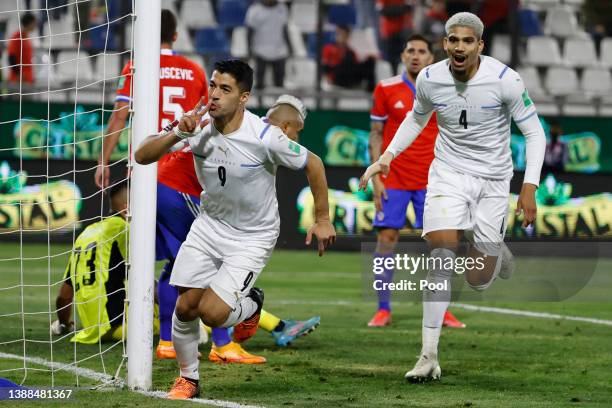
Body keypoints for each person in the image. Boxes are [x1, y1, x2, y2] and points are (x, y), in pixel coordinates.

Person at [359, 12, 546, 382]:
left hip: (493, 180)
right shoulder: (430, 78)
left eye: (467, 41)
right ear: (445, 44)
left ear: (480, 45)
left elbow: (534, 133)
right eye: (453, 40)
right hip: (447, 173)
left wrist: (530, 187)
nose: (459, 47)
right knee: (441, 253)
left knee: (478, 278)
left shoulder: (506, 79)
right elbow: (416, 118)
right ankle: (428, 355)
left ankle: (494, 247)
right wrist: (386, 158)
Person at [134, 59, 336, 399]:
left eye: (224, 89)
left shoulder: (264, 137)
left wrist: (322, 218)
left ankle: (252, 305)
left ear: (243, 97)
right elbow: (142, 156)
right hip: (209, 226)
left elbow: (313, 163)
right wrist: (177, 133)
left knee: (213, 314)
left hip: (252, 236)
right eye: (213, 85)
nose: (214, 95)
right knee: (185, 307)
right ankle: (189, 379)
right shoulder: (195, 125)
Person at [94, 8, 214, 361]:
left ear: (141, 33)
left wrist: (104, 160)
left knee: (149, 257)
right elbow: (207, 119)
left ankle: (153, 331)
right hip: (180, 173)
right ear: (175, 37)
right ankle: (214, 339)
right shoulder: (194, 70)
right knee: (198, 258)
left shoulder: (136, 66)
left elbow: (119, 115)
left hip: (144, 171)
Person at [368, 34, 465, 329]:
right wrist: (376, 176)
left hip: (434, 180)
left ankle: (442, 311)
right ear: (402, 55)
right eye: (410, 50)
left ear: (430, 58)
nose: (416, 55)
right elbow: (375, 133)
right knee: (386, 240)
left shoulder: (445, 89)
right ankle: (383, 309)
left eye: (422, 51)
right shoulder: (385, 88)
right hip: (393, 178)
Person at [51, 182, 131, 344]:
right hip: (120, 326)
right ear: (126, 208)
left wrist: (64, 323)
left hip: (91, 330)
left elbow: (64, 295)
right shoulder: (123, 229)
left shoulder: (86, 233)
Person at [245, 0, 291, 89]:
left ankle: (279, 102)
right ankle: (260, 102)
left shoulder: (283, 8)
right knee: (259, 83)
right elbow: (249, 32)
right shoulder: (254, 10)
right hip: (260, 51)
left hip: (280, 51)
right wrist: (249, 49)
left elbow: (285, 29)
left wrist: (290, 47)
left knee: (279, 84)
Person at [321, 25, 375, 91]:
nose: (342, 37)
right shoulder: (328, 48)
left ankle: (372, 91)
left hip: (350, 77)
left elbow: (354, 66)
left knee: (370, 60)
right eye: (340, 34)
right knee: (346, 60)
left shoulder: (351, 51)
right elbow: (325, 66)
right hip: (337, 77)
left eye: (345, 35)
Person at [7, 12, 37, 85]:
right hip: (18, 80)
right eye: (34, 23)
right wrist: (19, 75)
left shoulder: (26, 37)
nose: (35, 25)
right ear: (29, 23)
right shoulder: (17, 37)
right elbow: (11, 57)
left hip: (28, 79)